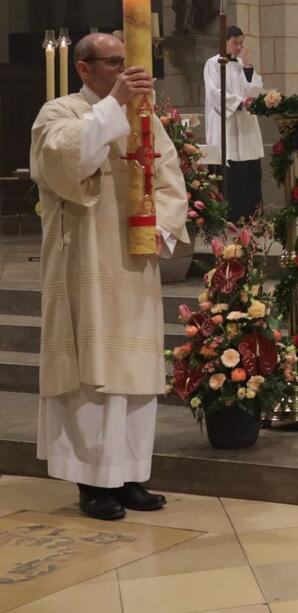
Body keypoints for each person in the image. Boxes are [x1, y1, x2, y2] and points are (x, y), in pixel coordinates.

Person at [31, 33, 188, 520]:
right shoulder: (58, 112)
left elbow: (169, 174)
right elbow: (62, 163)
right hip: (85, 259)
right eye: (113, 62)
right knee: (92, 376)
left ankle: (129, 474)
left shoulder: (144, 118)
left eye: (128, 61)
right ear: (84, 68)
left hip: (132, 258)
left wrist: (160, 228)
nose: (125, 70)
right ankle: (91, 482)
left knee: (134, 372)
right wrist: (116, 102)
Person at [203, 25, 264, 224]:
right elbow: (214, 92)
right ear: (225, 41)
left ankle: (250, 214)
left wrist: (248, 67)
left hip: (245, 124)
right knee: (230, 169)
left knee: (247, 168)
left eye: (241, 43)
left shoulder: (241, 64)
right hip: (226, 123)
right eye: (235, 43)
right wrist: (238, 102)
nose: (239, 47)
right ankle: (228, 215)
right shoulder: (213, 63)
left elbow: (254, 90)